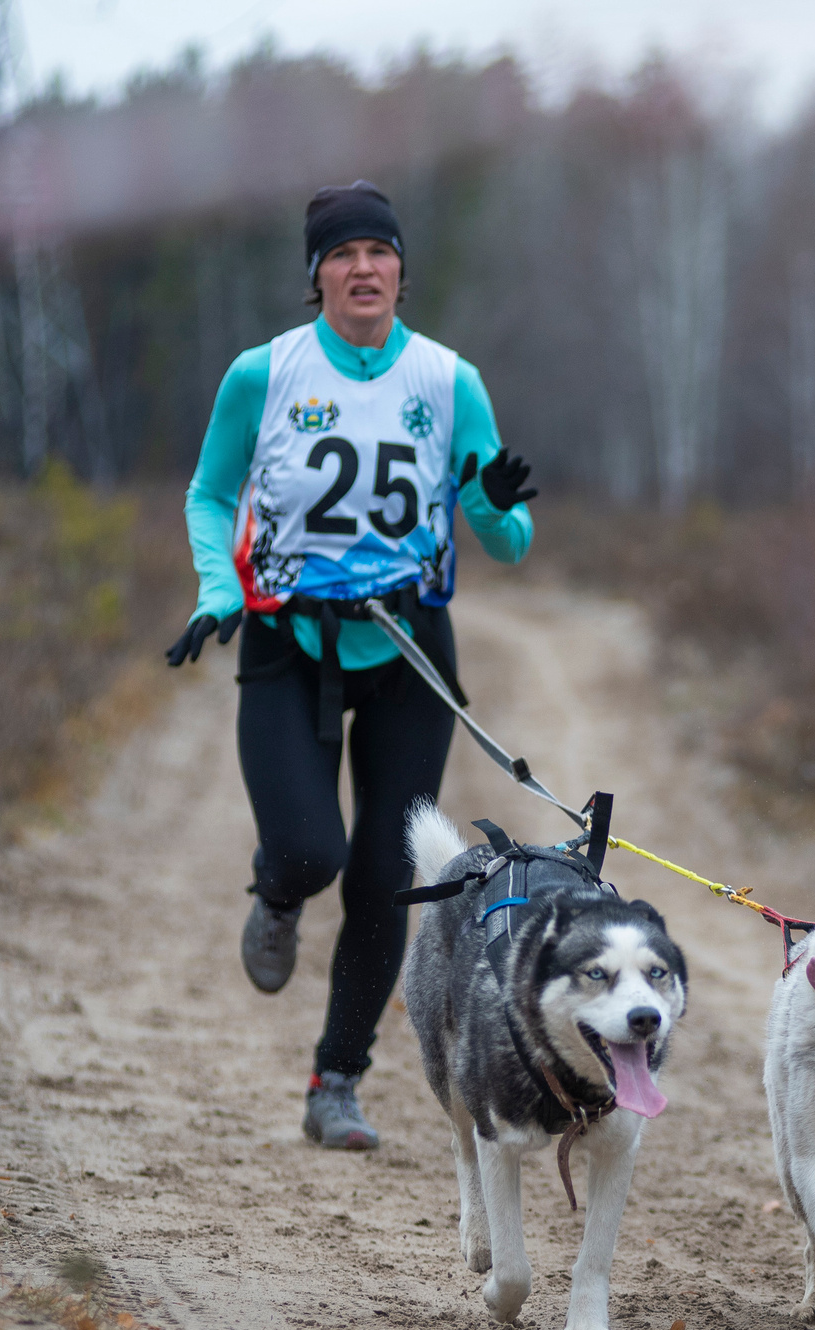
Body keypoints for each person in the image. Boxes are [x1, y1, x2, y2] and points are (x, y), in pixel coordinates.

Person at [167, 179, 537, 1151]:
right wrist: (218, 590)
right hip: (288, 637)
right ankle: (278, 895)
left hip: (408, 647)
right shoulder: (264, 374)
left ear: (402, 271)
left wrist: (495, 503)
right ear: (316, 277)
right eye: (342, 254)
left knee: (387, 875)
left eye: (379, 251)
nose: (362, 267)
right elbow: (210, 495)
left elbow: (508, 540)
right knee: (308, 850)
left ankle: (337, 1079)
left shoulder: (450, 381)